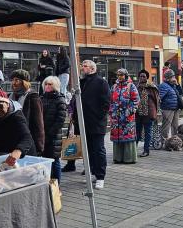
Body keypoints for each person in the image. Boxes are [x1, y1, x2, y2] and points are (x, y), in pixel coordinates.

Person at [61, 60, 110, 189]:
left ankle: (100, 176)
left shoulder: (101, 82)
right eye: (82, 66)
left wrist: (99, 118)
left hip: (96, 123)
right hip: (83, 124)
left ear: (92, 68)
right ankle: (92, 173)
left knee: (98, 150)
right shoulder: (81, 83)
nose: (82, 68)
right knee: (88, 151)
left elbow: (106, 103)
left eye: (85, 66)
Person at [0, 87, 36, 164]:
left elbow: (27, 138)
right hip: (4, 155)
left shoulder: (17, 116)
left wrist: (18, 151)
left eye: (0, 105)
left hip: (23, 157)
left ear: (7, 103)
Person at [9, 69, 45, 155]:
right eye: (13, 80)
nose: (14, 83)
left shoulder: (32, 97)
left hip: (28, 142)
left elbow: (38, 123)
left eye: (17, 80)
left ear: (24, 82)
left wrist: (39, 146)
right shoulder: (10, 97)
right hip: (13, 140)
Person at [109, 69, 139, 163]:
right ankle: (118, 158)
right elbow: (110, 100)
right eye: (118, 75)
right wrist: (111, 111)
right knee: (117, 136)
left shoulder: (131, 86)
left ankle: (129, 158)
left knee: (127, 136)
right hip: (116, 117)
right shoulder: (114, 87)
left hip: (127, 117)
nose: (119, 77)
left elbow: (136, 100)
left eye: (121, 75)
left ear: (125, 75)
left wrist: (131, 111)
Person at [41, 76, 67, 183]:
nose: (47, 86)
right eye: (46, 84)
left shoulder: (60, 99)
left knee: (54, 160)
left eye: (50, 84)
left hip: (53, 136)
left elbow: (60, 120)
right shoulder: (42, 98)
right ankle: (47, 182)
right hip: (42, 135)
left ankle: (57, 185)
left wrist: (50, 133)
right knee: (43, 160)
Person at [135, 70, 159, 157]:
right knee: (137, 132)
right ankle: (133, 150)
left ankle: (146, 150)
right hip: (138, 113)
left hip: (148, 113)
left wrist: (155, 113)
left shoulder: (151, 87)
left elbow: (157, 101)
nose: (142, 78)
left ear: (147, 77)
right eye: (140, 76)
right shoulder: (136, 87)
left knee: (147, 133)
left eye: (144, 76)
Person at [159, 69, 180, 139]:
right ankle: (164, 141)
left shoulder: (173, 85)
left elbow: (180, 92)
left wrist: (177, 85)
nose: (174, 78)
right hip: (167, 108)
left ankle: (174, 141)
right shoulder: (163, 86)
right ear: (167, 78)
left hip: (175, 108)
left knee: (175, 126)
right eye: (172, 77)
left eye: (174, 76)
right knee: (166, 126)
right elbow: (159, 97)